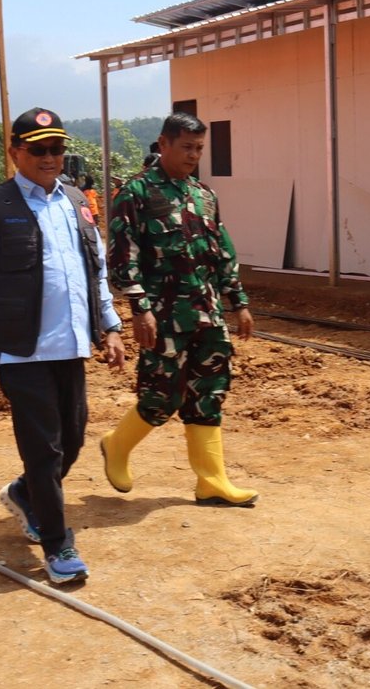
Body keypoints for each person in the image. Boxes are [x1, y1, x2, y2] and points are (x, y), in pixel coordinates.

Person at [0, 107, 125, 584]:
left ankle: (25, 494)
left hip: (71, 344)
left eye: (57, 149)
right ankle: (57, 546)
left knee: (72, 439)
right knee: (44, 450)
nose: (51, 158)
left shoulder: (75, 200)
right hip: (22, 349)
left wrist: (110, 325)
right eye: (39, 150)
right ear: (16, 153)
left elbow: (95, 270)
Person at [100, 112, 258, 507]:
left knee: (209, 392)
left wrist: (238, 303)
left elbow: (222, 252)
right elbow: (123, 258)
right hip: (163, 316)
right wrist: (140, 308)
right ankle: (116, 447)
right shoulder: (135, 193)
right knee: (161, 396)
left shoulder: (204, 195)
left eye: (199, 148)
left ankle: (212, 481)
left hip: (207, 314)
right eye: (186, 147)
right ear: (164, 143)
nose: (193, 155)